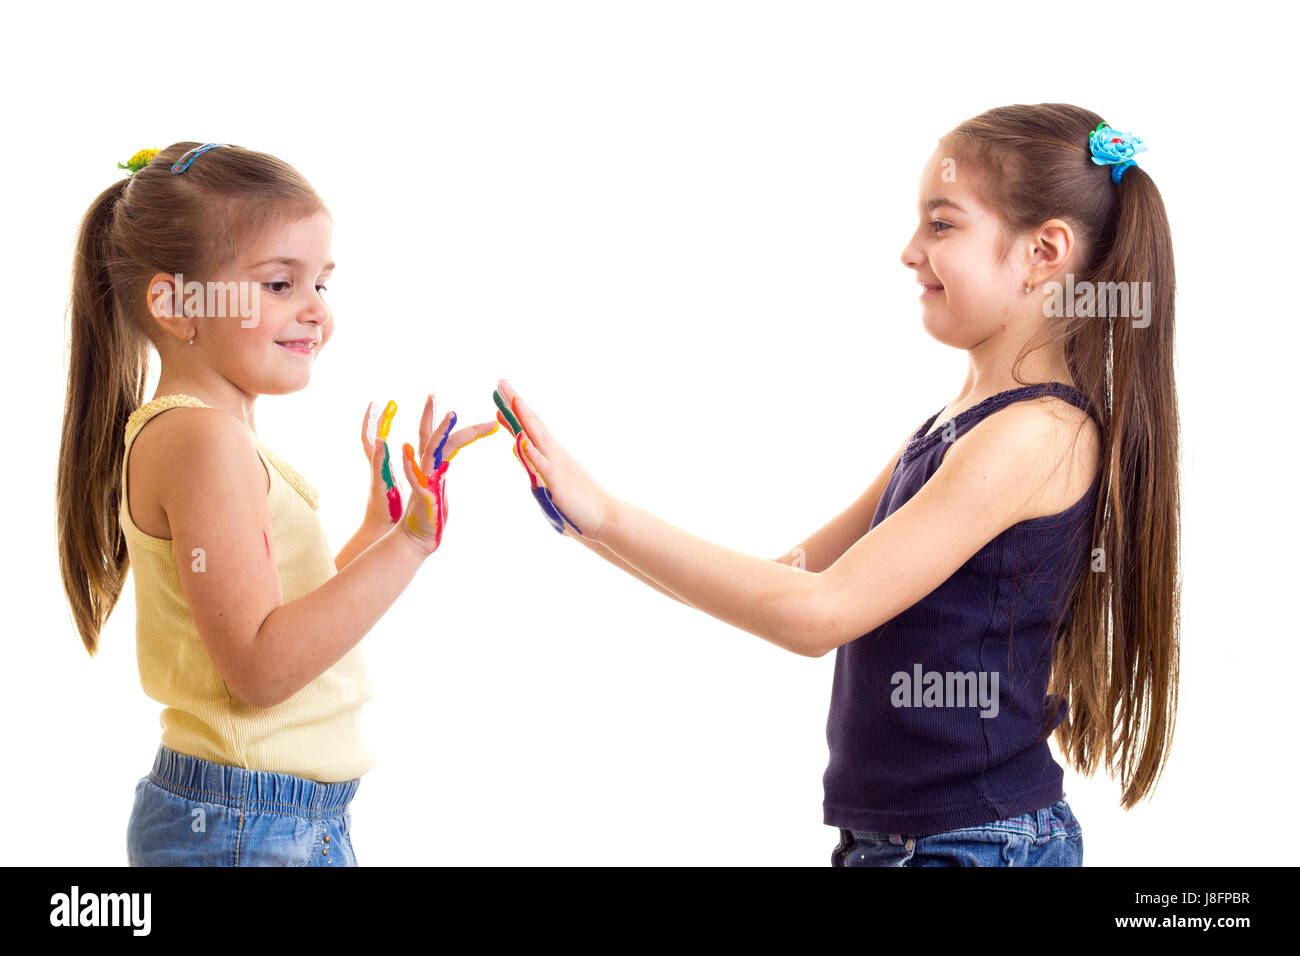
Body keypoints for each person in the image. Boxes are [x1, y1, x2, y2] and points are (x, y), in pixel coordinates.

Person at [493, 103, 1180, 866]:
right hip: (916, 842)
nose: (909, 251)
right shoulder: (958, 423)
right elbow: (793, 577)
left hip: (972, 844)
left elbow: (816, 616)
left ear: (1042, 251)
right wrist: (588, 524)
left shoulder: (1036, 436)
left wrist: (609, 514)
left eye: (942, 225)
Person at [56, 142, 497, 866]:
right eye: (278, 284)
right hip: (247, 827)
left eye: (322, 284)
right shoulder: (204, 442)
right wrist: (412, 545)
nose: (316, 312)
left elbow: (278, 620)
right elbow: (261, 670)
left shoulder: (205, 434)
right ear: (174, 304)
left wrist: (380, 530)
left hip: (255, 820)